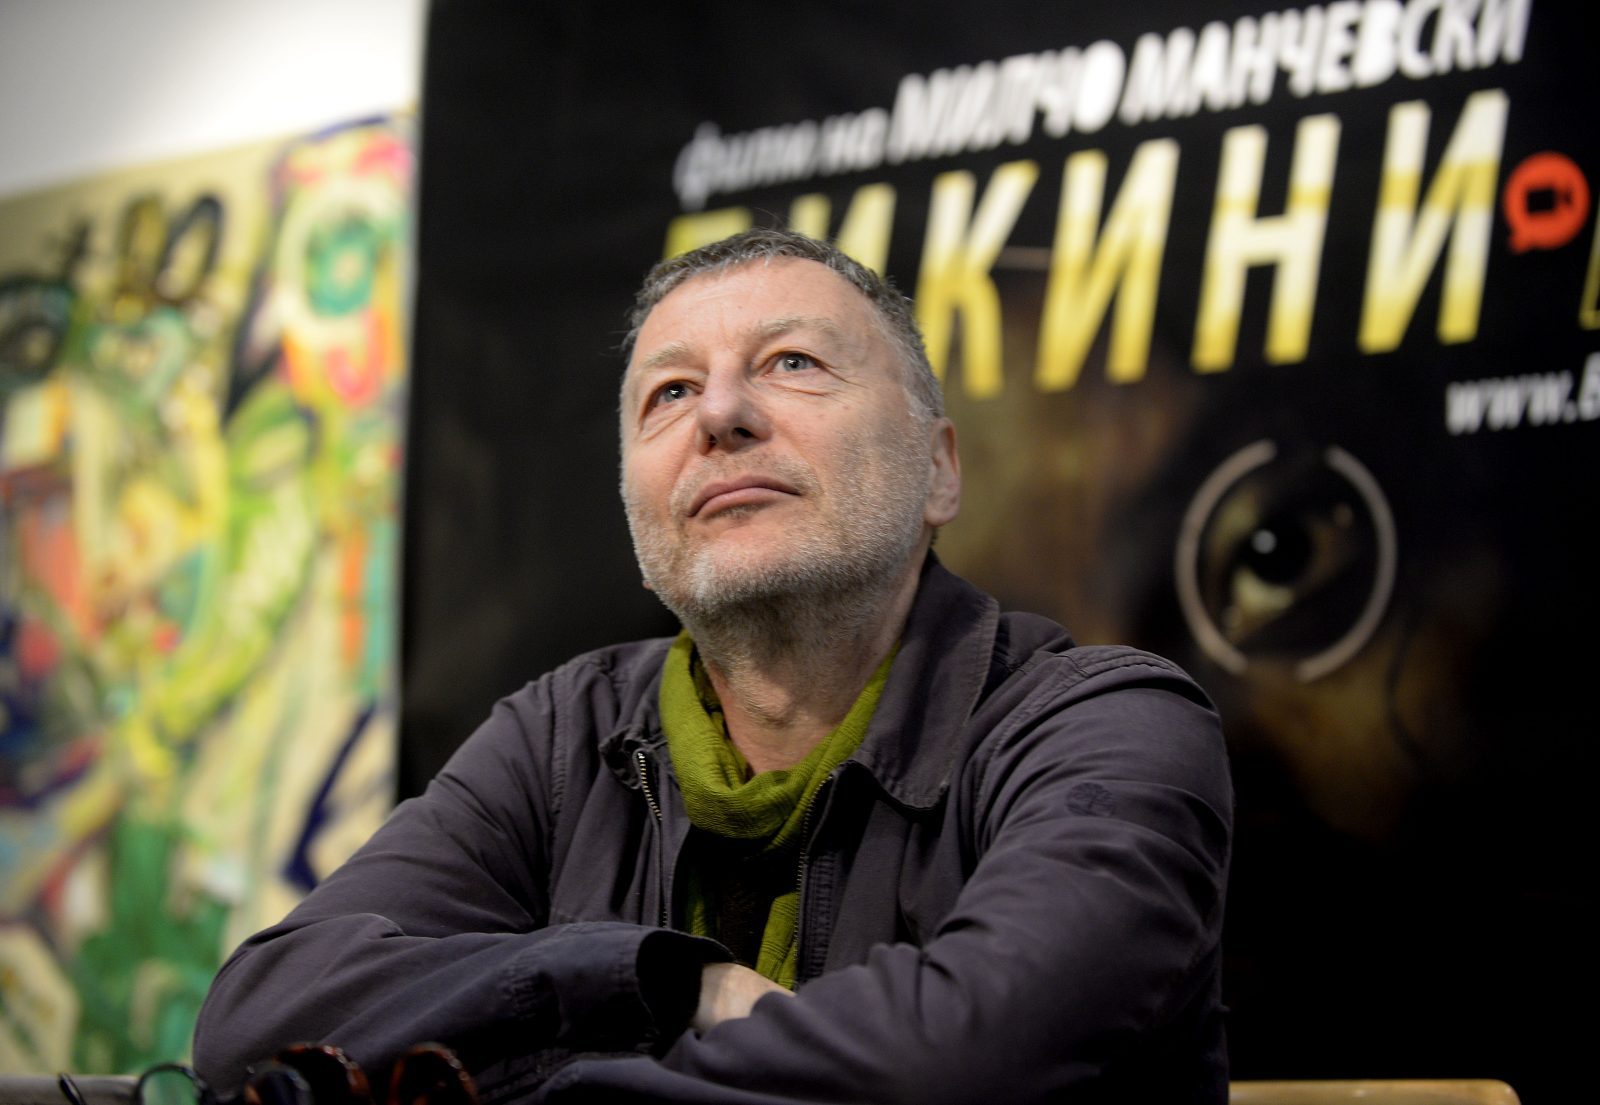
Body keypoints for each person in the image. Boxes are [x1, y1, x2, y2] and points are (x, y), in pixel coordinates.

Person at [193, 228, 1232, 1104]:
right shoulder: (561, 737)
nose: (718, 414)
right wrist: (660, 982)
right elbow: (261, 1019)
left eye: (793, 363)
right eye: (671, 390)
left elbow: (964, 1058)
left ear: (938, 469)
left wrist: (531, 1067)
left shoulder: (1106, 722)